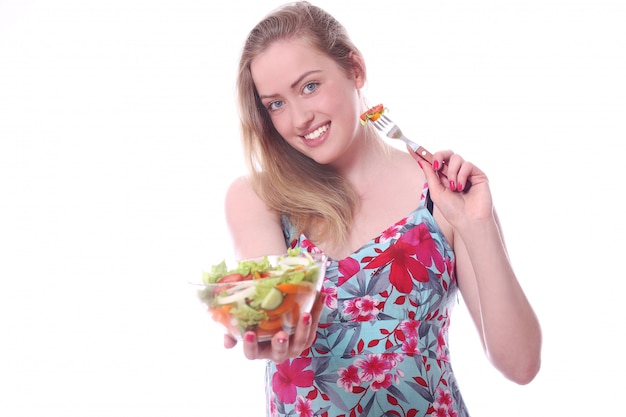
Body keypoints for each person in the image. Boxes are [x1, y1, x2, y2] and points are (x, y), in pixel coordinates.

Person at [222, 2, 542, 416]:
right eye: (276, 104)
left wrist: (477, 224)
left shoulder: (440, 193)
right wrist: (263, 327)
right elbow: (274, 313)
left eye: (309, 86)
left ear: (355, 69)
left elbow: (520, 365)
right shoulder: (261, 197)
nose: (299, 118)